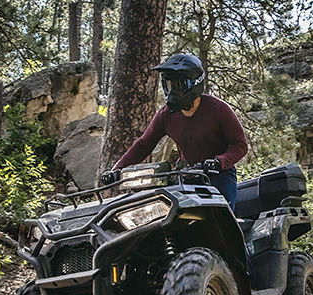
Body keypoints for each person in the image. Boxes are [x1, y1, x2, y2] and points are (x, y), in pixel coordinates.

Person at [99, 53, 248, 210]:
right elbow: (144, 144)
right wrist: (117, 170)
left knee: (220, 222)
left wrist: (219, 162)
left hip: (220, 176)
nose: (172, 91)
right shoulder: (166, 115)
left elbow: (240, 145)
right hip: (186, 177)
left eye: (179, 85)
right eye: (168, 85)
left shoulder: (218, 109)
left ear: (195, 84)